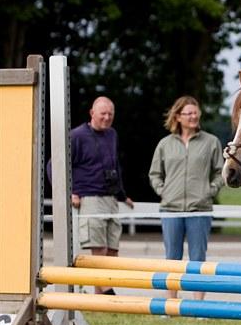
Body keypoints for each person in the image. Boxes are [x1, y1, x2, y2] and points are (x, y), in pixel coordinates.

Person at [148, 96, 224, 301]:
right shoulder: (165, 144)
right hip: (170, 209)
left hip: (200, 208)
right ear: (178, 117)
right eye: (188, 113)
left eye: (195, 112)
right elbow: (154, 174)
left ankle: (198, 304)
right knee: (172, 258)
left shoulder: (211, 142)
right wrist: (163, 191)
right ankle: (171, 303)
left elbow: (220, 172)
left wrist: (210, 190)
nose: (193, 116)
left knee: (198, 258)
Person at [58, 96, 134, 294]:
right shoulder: (76, 136)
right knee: (98, 248)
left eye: (110, 114)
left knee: (113, 248)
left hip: (110, 197)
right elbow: (54, 166)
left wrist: (122, 195)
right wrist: (69, 192)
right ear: (92, 113)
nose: (107, 118)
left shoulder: (112, 135)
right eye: (103, 114)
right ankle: (107, 290)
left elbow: (114, 166)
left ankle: (100, 295)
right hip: (89, 196)